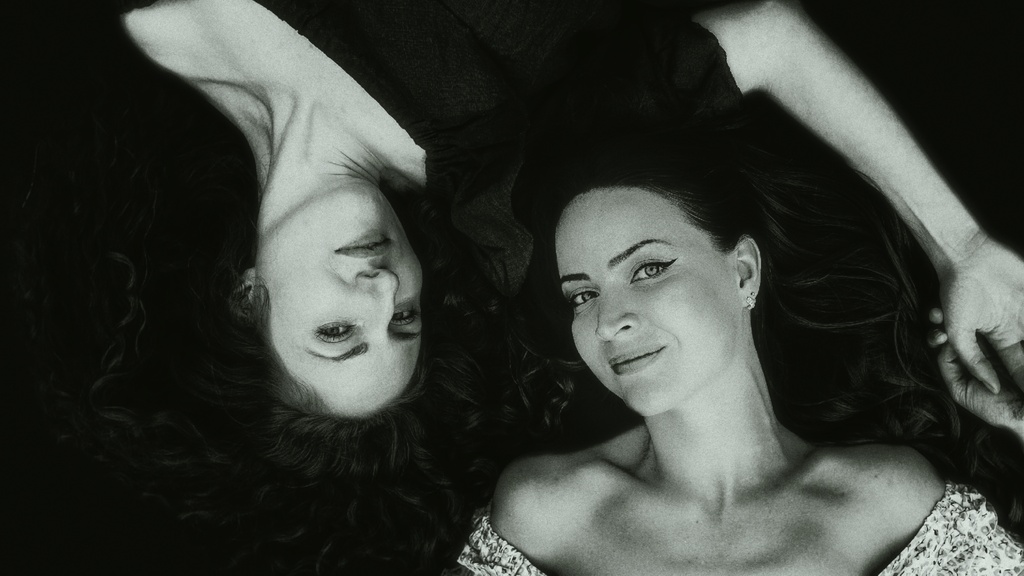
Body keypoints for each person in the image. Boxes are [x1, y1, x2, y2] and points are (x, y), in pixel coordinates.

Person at [14, 0, 1024, 572]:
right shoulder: (500, 170)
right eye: (404, 321)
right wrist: (962, 247)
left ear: (244, 301)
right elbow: (761, 40)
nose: (382, 291)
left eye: (341, 332)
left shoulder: (153, 33)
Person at [453, 126, 1024, 575]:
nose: (607, 322)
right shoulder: (547, 514)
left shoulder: (887, 506)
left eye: (648, 269)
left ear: (744, 271)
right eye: (582, 295)